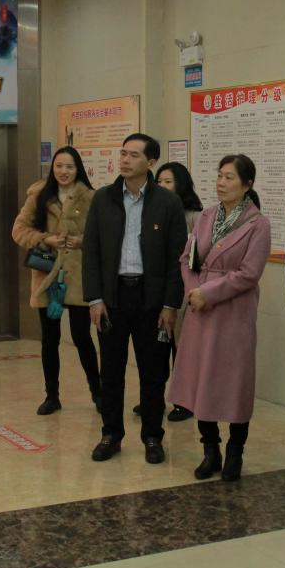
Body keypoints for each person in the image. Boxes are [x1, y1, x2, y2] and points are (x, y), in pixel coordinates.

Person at [83, 133, 188, 463]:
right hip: (112, 298)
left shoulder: (167, 203)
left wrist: (170, 304)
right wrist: (94, 299)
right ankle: (111, 435)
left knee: (153, 374)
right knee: (111, 372)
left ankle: (153, 437)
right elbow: (91, 252)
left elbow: (177, 259)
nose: (125, 160)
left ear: (151, 162)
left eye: (133, 155)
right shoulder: (103, 199)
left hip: (151, 301)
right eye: (123, 154)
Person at [169, 155, 271, 482]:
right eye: (219, 176)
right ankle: (210, 450)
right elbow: (187, 259)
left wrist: (209, 293)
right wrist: (193, 292)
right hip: (200, 309)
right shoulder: (207, 216)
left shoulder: (258, 224)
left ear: (247, 184)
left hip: (233, 312)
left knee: (234, 383)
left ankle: (235, 451)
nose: (221, 183)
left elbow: (249, 274)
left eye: (229, 177)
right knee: (201, 380)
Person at [11, 147, 100, 416]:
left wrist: (81, 241)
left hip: (78, 276)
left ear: (78, 169)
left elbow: (101, 235)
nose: (63, 172)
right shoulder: (39, 195)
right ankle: (52, 396)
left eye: (69, 167)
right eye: (59, 166)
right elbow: (19, 230)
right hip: (48, 275)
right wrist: (44, 239)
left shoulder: (91, 197)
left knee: (82, 336)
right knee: (50, 339)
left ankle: (98, 393)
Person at [152, 161, 203, 422]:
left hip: (184, 291)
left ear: (180, 185)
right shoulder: (151, 211)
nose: (162, 186)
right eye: (159, 181)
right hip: (156, 289)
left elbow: (199, 257)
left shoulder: (195, 216)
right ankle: (153, 398)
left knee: (181, 348)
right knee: (156, 346)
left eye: (168, 181)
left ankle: (184, 401)